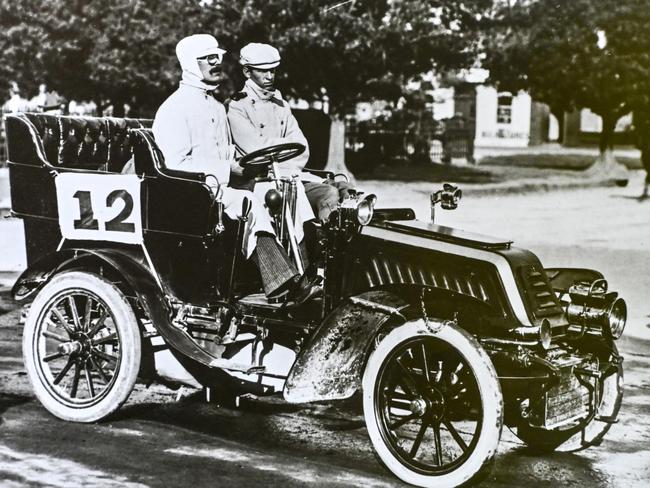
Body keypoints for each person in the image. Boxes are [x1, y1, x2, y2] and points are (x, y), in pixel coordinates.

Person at [152, 34, 319, 305]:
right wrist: (228, 170)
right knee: (248, 202)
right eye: (208, 59)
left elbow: (227, 152)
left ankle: (305, 270)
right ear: (191, 64)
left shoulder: (216, 107)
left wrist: (240, 167)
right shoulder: (175, 108)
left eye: (218, 57)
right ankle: (281, 282)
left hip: (221, 185)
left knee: (284, 188)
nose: (217, 64)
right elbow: (175, 166)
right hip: (193, 193)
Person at [227, 42, 350, 222]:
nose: (270, 76)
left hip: (288, 178)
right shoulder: (237, 106)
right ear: (247, 72)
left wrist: (275, 151)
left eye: (273, 70)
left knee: (334, 192)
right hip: (256, 183)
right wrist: (282, 148)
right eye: (263, 71)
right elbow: (255, 151)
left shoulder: (281, 105)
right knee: (292, 201)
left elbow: (301, 147)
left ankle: (324, 245)